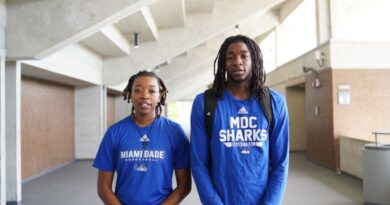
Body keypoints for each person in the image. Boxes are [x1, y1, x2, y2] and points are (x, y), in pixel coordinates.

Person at [190, 35, 289, 205]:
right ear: (223, 62)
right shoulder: (204, 103)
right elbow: (199, 163)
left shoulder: (274, 102)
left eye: (243, 55)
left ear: (254, 60)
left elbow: (280, 163)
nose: (237, 61)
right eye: (230, 57)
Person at [93, 70, 191, 205]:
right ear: (130, 94)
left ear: (160, 95)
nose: (144, 96)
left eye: (151, 91)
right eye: (138, 90)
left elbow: (184, 186)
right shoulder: (114, 132)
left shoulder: (175, 132)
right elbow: (103, 187)